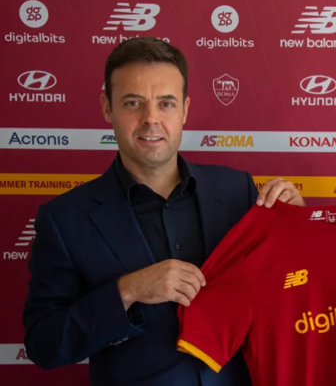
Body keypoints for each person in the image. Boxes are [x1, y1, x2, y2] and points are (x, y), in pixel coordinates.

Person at [22, 37, 305, 386]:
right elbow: (44, 344)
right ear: (107, 107)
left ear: (184, 109)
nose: (151, 119)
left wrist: (297, 230)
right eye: (133, 103)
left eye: (166, 103)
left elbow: (291, 293)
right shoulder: (64, 218)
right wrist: (127, 290)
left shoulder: (238, 192)